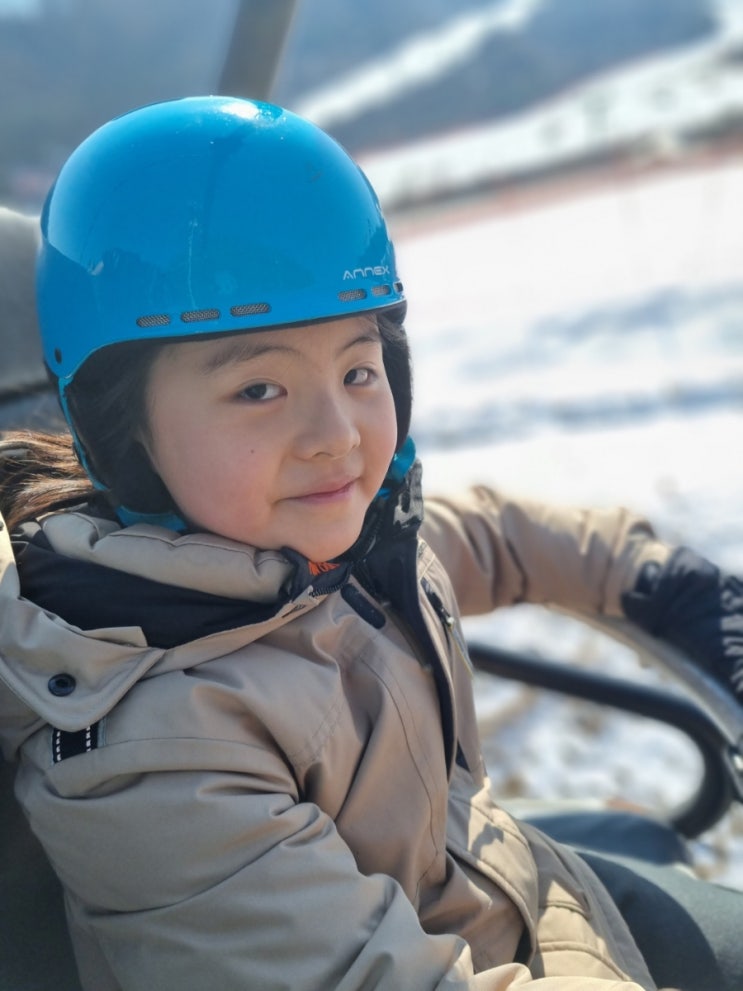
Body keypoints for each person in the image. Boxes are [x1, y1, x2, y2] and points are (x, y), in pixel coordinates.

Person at [0, 95, 741, 991]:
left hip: (528, 896)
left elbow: (494, 532)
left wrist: (668, 582)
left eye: (358, 369)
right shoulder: (154, 756)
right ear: (124, 433)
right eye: (259, 390)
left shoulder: (330, 550)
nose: (337, 435)